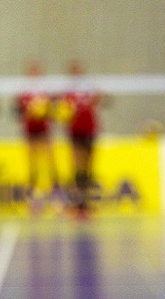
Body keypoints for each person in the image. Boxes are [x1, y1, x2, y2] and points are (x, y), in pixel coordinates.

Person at [58, 59, 107, 216]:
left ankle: (86, 203)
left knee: (88, 167)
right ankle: (76, 203)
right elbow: (61, 111)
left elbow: (102, 99)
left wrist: (98, 96)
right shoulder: (67, 91)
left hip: (89, 130)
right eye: (74, 71)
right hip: (75, 131)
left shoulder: (89, 88)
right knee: (77, 166)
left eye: (78, 71)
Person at [13, 59, 58, 201]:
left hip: (44, 129)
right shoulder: (24, 91)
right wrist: (29, 112)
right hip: (30, 129)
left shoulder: (46, 90)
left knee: (49, 158)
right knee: (32, 160)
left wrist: (45, 112)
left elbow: (54, 109)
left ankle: (55, 190)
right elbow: (18, 111)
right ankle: (32, 191)